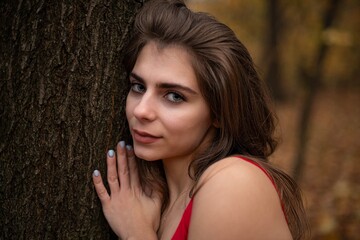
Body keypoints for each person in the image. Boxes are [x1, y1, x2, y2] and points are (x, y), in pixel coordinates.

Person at [92, 0, 309, 239]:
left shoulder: (233, 183)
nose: (141, 111)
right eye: (138, 86)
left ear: (218, 113)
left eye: (174, 96)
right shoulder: (159, 201)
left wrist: (136, 233)